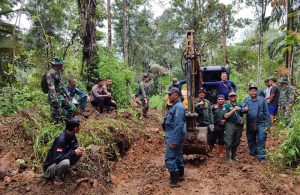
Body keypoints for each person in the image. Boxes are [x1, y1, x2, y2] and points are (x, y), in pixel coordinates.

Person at [43, 118, 84, 185]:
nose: (80, 128)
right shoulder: (61, 140)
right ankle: (57, 178)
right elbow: (57, 159)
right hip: (49, 169)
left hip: (60, 161)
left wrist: (77, 149)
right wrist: (74, 152)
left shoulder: (71, 135)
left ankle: (66, 170)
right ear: (75, 128)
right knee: (66, 162)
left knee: (79, 152)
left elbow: (74, 146)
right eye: (79, 127)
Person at [243, 84, 271, 162]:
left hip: (260, 122)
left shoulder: (262, 100)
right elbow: (241, 109)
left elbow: (266, 112)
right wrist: (244, 109)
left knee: (261, 138)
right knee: (250, 138)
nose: (253, 92)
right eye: (251, 91)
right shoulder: (246, 100)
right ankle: (253, 152)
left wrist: (268, 124)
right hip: (250, 122)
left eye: (254, 91)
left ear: (257, 91)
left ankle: (262, 156)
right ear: (249, 92)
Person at [164, 87, 186, 187]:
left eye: (170, 94)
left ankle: (174, 181)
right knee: (178, 156)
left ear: (176, 95)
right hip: (174, 135)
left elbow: (178, 125)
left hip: (173, 137)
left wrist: (174, 141)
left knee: (170, 158)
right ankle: (180, 176)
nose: (168, 96)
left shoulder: (179, 107)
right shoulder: (175, 105)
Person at [46, 57, 76, 123]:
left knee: (73, 108)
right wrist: (55, 100)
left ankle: (68, 123)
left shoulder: (58, 73)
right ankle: (55, 128)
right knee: (57, 115)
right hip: (54, 97)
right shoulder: (50, 74)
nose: (62, 65)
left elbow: (62, 85)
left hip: (61, 96)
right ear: (57, 65)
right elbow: (51, 87)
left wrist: (68, 96)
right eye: (61, 64)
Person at [223, 92, 245, 162]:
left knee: (236, 141)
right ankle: (228, 157)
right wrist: (233, 110)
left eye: (234, 96)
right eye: (231, 96)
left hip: (239, 126)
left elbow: (243, 112)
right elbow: (225, 116)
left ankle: (234, 156)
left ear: (236, 97)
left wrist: (245, 109)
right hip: (230, 125)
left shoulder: (239, 105)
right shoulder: (226, 105)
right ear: (229, 97)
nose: (233, 97)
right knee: (228, 141)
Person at [194, 88, 214, 154]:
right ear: (198, 94)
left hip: (207, 122)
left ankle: (207, 150)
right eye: (200, 93)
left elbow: (210, 112)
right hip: (199, 122)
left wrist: (212, 122)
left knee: (208, 136)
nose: (202, 94)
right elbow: (193, 107)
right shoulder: (195, 101)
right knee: (199, 136)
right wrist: (199, 104)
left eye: (203, 93)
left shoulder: (207, 101)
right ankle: (199, 150)